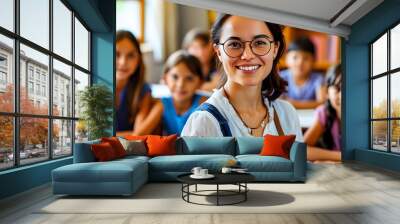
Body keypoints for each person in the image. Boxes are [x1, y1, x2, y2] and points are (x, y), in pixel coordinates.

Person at [181, 14, 303, 141]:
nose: (247, 55)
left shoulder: (287, 114)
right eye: (234, 44)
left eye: (260, 42)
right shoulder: (205, 121)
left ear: (275, 49)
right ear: (218, 52)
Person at [115, 30, 162, 136]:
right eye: (116, 54)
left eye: (131, 55)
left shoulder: (142, 90)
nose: (123, 62)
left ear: (138, 60)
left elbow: (138, 135)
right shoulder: (95, 87)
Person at [159, 50, 207, 135]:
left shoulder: (204, 104)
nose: (180, 85)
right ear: (165, 78)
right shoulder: (160, 105)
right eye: (175, 77)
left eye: (189, 78)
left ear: (200, 82)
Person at [304, 64, 342, 162]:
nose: (343, 96)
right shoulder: (325, 113)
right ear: (327, 93)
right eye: (337, 89)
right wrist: (341, 157)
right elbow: (301, 150)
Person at [280, 37, 327, 109]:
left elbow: (322, 103)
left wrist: (293, 104)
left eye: (306, 58)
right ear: (286, 59)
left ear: (313, 61)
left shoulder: (318, 79)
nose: (300, 63)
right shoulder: (280, 77)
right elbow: (277, 102)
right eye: (295, 57)